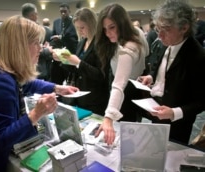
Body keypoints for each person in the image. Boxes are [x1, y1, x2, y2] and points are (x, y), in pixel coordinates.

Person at [0, 15, 78, 171]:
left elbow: (24, 84)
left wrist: (56, 88)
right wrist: (36, 114)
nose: (40, 48)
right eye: (36, 43)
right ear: (20, 46)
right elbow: (0, 139)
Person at [138, 0, 205, 144]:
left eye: (166, 29)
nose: (160, 35)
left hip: (178, 123)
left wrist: (174, 113)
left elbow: (202, 101)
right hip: (156, 110)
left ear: (184, 28)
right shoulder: (165, 44)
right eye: (157, 28)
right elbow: (164, 70)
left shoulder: (198, 56)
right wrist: (151, 77)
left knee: (171, 162)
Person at [94, 3, 149, 144]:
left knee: (126, 136)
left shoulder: (128, 48)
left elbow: (119, 84)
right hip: (132, 86)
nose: (108, 33)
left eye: (112, 27)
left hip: (127, 90)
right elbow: (147, 53)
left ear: (122, 23)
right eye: (105, 29)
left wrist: (108, 118)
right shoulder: (137, 32)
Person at [51, 7, 110, 115]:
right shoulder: (82, 42)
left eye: (82, 27)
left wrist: (79, 62)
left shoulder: (102, 44)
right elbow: (75, 69)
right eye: (77, 28)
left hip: (96, 99)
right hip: (80, 96)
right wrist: (63, 59)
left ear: (92, 24)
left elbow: (101, 75)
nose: (79, 31)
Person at [21, 3, 53, 81]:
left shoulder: (22, 27)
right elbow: (26, 49)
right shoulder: (27, 29)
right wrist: (46, 50)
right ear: (33, 15)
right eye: (36, 14)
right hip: (31, 68)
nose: (37, 17)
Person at [50, 3, 78, 85]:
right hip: (58, 56)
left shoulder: (74, 22)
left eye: (65, 11)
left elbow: (76, 38)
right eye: (61, 12)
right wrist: (54, 40)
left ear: (69, 11)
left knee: (70, 82)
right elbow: (52, 36)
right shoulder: (56, 22)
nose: (63, 13)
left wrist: (62, 38)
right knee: (56, 81)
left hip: (70, 55)